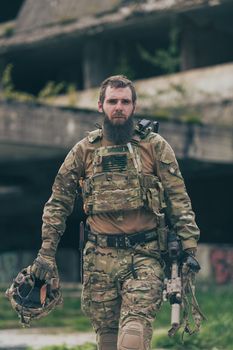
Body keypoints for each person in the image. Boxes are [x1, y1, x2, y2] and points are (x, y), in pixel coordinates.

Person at [31, 75, 200, 350]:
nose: (118, 107)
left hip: (144, 255)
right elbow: (58, 202)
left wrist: (189, 249)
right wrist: (46, 254)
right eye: (112, 101)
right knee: (107, 341)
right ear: (101, 106)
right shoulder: (84, 150)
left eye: (125, 101)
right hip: (99, 259)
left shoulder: (154, 147)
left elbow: (178, 198)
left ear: (134, 106)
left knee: (132, 337)